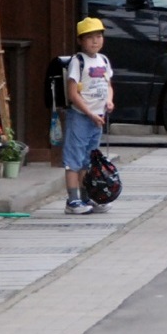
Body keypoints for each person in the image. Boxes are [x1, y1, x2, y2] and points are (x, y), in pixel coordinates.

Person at [63, 17, 116, 215]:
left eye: (99, 36)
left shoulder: (104, 60)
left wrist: (109, 101)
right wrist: (90, 113)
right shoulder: (78, 62)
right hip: (81, 117)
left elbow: (108, 86)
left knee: (89, 159)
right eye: (90, 37)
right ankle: (72, 199)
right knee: (73, 160)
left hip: (98, 118)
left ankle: (87, 196)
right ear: (80, 40)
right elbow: (73, 93)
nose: (95, 41)